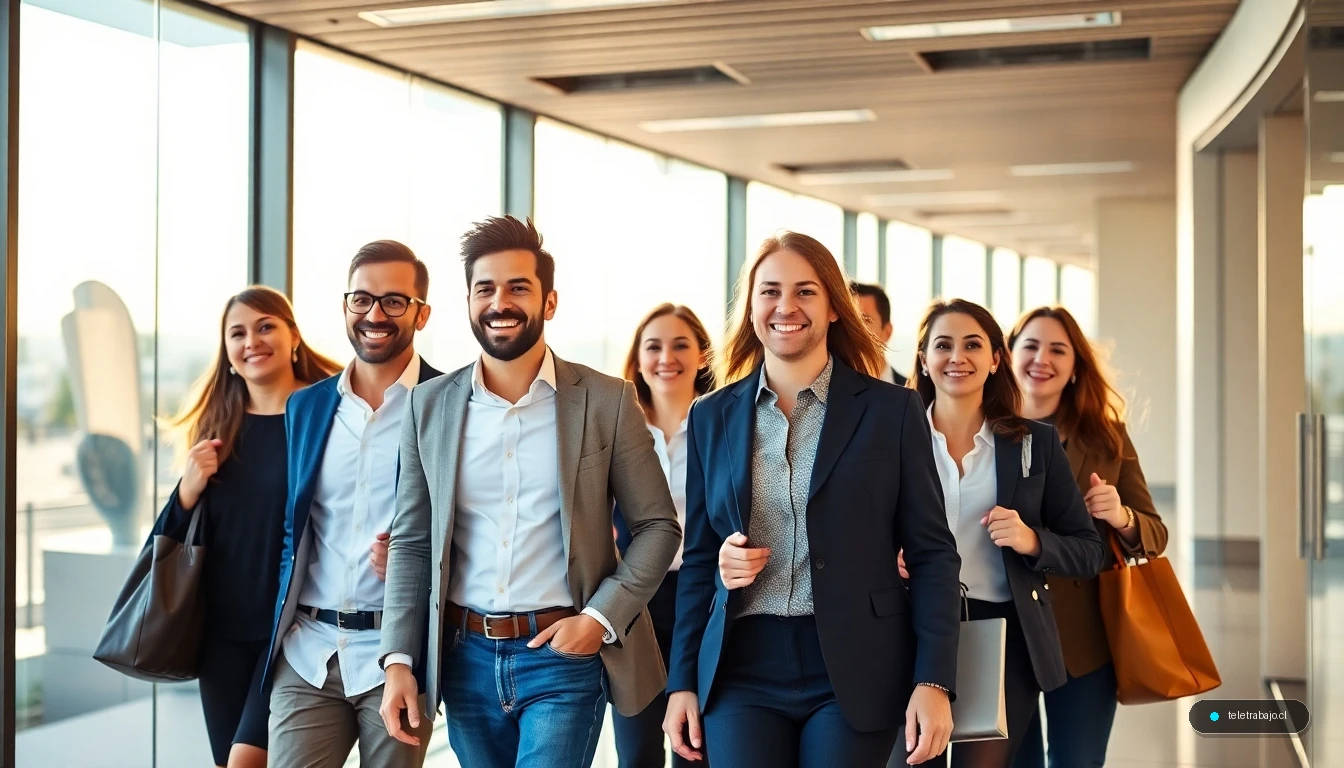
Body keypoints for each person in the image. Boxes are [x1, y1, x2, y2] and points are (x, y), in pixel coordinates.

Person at [377, 215, 682, 768]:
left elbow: (658, 526)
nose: (501, 302)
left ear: (549, 301)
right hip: (462, 658)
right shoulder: (428, 406)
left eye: (519, 287)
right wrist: (398, 657)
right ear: (468, 301)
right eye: (485, 288)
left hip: (563, 654)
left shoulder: (606, 401)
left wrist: (600, 620)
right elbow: (412, 541)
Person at [663, 231, 962, 767]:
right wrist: (682, 681)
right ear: (751, 307)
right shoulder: (711, 415)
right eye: (770, 291)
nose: (786, 307)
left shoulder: (892, 411)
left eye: (805, 292)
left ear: (832, 310)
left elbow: (933, 554)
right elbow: (700, 558)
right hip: (741, 667)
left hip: (855, 663)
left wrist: (934, 679)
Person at [898, 299, 1107, 767]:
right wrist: (884, 555)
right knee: (915, 759)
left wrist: (1032, 540)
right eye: (943, 345)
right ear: (924, 359)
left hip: (1003, 636)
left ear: (996, 359)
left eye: (973, 345)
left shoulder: (1034, 442)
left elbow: (1088, 550)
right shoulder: (891, 438)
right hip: (909, 628)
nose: (958, 357)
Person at [262, 240, 441, 768]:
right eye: (361, 299)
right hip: (308, 652)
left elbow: (477, 525)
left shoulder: (450, 402)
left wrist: (417, 562)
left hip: (400, 656)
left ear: (421, 313)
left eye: (393, 301)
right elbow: (295, 528)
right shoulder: (308, 406)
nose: (374, 314)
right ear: (345, 307)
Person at [154, 286, 340, 768]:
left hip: (294, 630)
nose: (251, 340)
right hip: (221, 635)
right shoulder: (217, 428)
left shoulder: (328, 415)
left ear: (293, 337)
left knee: (246, 762)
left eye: (265, 326)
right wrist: (189, 488)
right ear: (228, 354)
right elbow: (173, 538)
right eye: (237, 333)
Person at [1007, 306, 1168, 768]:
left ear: (1076, 367)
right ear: (1008, 355)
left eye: (1058, 349)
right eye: (1031, 346)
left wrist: (1121, 516)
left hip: (1083, 637)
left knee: (1078, 760)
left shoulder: (1105, 438)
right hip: (1005, 630)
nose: (1043, 358)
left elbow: (1155, 533)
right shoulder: (979, 430)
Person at [612, 303, 717, 768]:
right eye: (652, 346)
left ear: (703, 356)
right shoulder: (616, 428)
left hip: (707, 599)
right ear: (637, 359)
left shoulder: (723, 423)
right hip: (635, 600)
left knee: (696, 749)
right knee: (636, 753)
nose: (665, 357)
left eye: (680, 345)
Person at [850, 281, 908, 386]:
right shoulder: (828, 390)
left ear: (887, 332)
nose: (854, 328)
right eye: (850, 320)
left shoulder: (912, 391)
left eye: (865, 320)